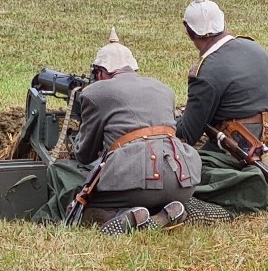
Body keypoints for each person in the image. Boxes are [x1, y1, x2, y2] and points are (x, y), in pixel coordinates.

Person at [33, 29, 202, 234]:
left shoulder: (96, 92)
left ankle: (124, 216)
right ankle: (165, 213)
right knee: (148, 192)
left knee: (78, 193)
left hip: (137, 184)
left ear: (101, 72)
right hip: (182, 180)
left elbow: (84, 155)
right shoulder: (163, 88)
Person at [177, 0, 268, 214]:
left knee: (183, 172)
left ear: (188, 31)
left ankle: (258, 190)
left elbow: (186, 135)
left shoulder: (206, 71)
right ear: (223, 23)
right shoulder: (254, 47)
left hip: (243, 152)